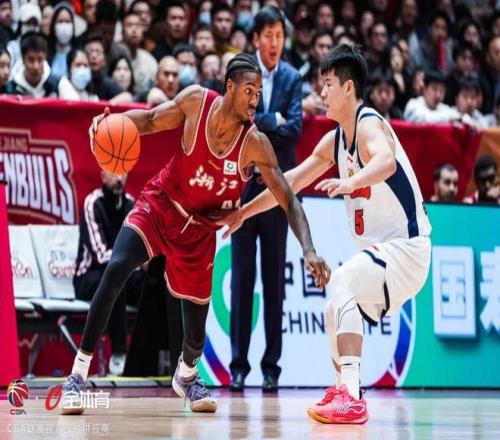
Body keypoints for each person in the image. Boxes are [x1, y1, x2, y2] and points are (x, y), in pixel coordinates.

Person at [60, 53, 330, 415]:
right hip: (162, 205)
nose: (255, 100)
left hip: (200, 229)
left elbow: (288, 197)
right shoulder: (195, 103)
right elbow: (150, 120)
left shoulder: (255, 143)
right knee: (116, 269)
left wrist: (309, 249)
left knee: (195, 328)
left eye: (258, 92)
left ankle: (186, 375)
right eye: (249, 91)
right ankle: (77, 375)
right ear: (230, 88)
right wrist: (111, 123)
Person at [219, 45, 432, 424]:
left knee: (343, 282)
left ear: (349, 88)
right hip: (387, 254)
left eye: (328, 84)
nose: (321, 93)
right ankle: (346, 390)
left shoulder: (368, 125)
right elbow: (289, 183)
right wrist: (243, 213)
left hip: (407, 249)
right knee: (335, 306)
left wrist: (351, 182)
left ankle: (350, 396)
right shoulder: (335, 140)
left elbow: (385, 162)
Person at [229, 6, 303, 393]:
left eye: (280, 36)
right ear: (256, 39)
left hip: (277, 191)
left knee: (275, 284)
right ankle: (237, 367)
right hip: (243, 191)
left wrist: (264, 120)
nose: (275, 43)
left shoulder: (292, 77)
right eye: (269, 36)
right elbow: (236, 121)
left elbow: (295, 129)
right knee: (242, 282)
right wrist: (274, 121)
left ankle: (271, 368)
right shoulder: (242, 72)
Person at [74, 171, 143, 375]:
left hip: (124, 271)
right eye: (114, 174)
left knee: (151, 283)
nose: (119, 179)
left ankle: (155, 354)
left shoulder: (131, 204)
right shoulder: (93, 203)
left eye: (123, 173)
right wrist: (135, 262)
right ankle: (119, 354)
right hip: (88, 277)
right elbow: (99, 254)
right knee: (115, 279)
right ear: (103, 176)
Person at [8, 32, 61, 97]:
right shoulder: (10, 88)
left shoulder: (59, 85)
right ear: (23, 59)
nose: (36, 67)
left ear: (45, 58)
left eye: (40, 60)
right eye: (31, 60)